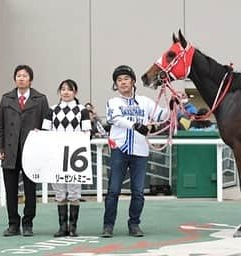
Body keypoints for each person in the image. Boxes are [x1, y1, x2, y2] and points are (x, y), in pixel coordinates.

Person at [101, 65, 169, 238]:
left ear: (133, 81)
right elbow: (114, 118)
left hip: (140, 152)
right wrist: (135, 125)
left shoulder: (145, 101)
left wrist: (173, 104)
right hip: (119, 150)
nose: (123, 82)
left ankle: (134, 224)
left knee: (138, 192)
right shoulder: (113, 102)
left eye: (126, 79)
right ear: (116, 84)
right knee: (114, 190)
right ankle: (108, 225)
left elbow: (162, 116)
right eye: (119, 80)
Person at [0, 65, 49, 237]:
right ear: (15, 79)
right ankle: (13, 224)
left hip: (31, 151)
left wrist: (41, 146)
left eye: (24, 76)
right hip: (10, 151)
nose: (21, 78)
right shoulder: (6, 99)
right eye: (18, 75)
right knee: (10, 190)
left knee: (30, 190)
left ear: (30, 80)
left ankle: (28, 223)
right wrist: (0, 148)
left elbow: (46, 125)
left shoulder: (40, 99)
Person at [42, 79, 91, 237]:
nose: (66, 92)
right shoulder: (51, 110)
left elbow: (87, 133)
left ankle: (73, 227)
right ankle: (62, 227)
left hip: (75, 157)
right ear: (59, 92)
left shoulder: (82, 110)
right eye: (63, 89)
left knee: (74, 192)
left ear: (75, 92)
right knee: (60, 192)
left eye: (70, 89)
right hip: (56, 156)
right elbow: (45, 131)